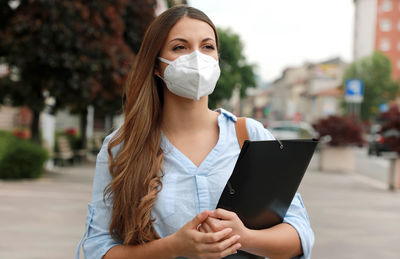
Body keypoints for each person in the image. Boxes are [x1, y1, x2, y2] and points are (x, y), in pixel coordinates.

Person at [75, 5, 314, 259]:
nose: (197, 57)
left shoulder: (248, 134)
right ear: (156, 65)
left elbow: (300, 235)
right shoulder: (124, 145)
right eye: (180, 47)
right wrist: (175, 246)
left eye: (207, 46)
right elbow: (96, 249)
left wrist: (243, 237)